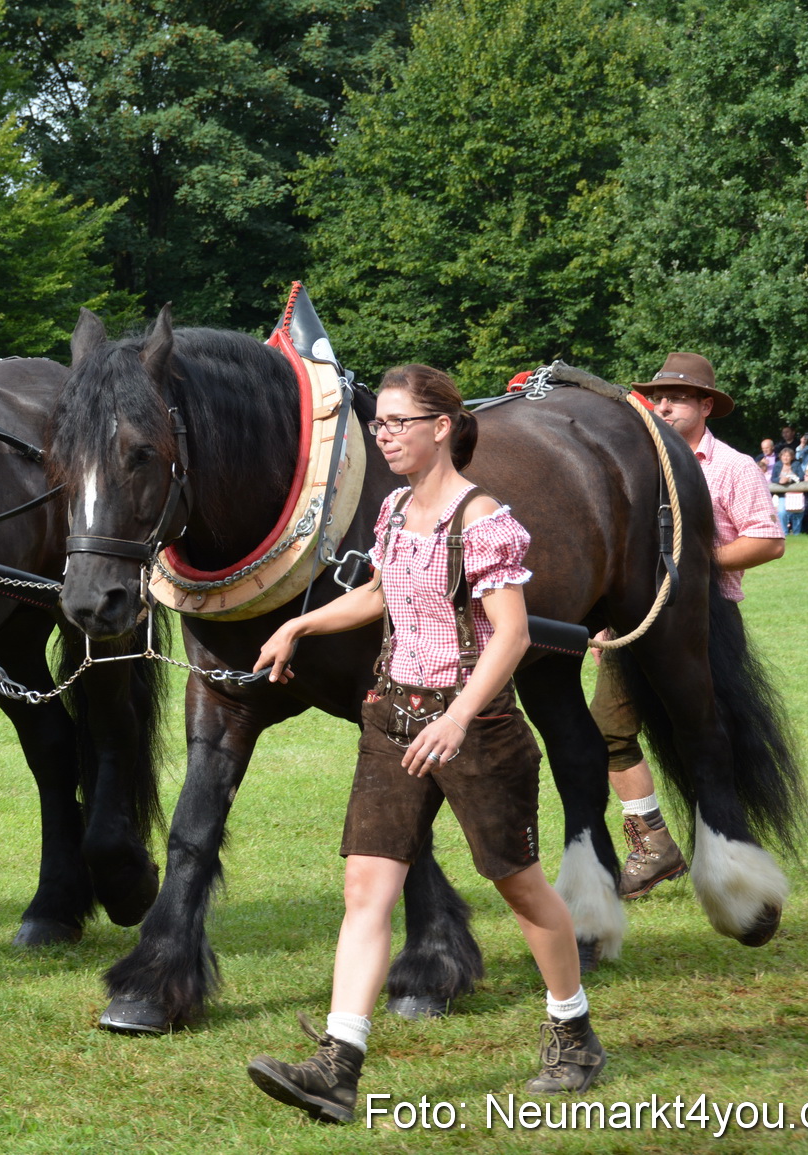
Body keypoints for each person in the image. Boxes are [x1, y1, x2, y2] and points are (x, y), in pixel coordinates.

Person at [244, 364, 603, 1125]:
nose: (385, 435)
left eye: (398, 423)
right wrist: (300, 623)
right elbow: (380, 593)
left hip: (476, 729)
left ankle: (573, 1034)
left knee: (520, 886)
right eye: (381, 424)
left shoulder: (483, 519)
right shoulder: (395, 507)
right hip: (392, 719)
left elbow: (512, 633)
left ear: (442, 427)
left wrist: (459, 717)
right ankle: (338, 1065)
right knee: (365, 890)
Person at [590, 353, 783, 898]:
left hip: (707, 625)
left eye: (678, 396)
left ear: (705, 406)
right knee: (608, 732)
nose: (665, 404)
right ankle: (653, 845)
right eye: (659, 395)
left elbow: (767, 540)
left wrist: (688, 562)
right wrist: (609, 626)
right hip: (638, 623)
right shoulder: (636, 463)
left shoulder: (733, 466)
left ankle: (731, 845)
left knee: (711, 735)